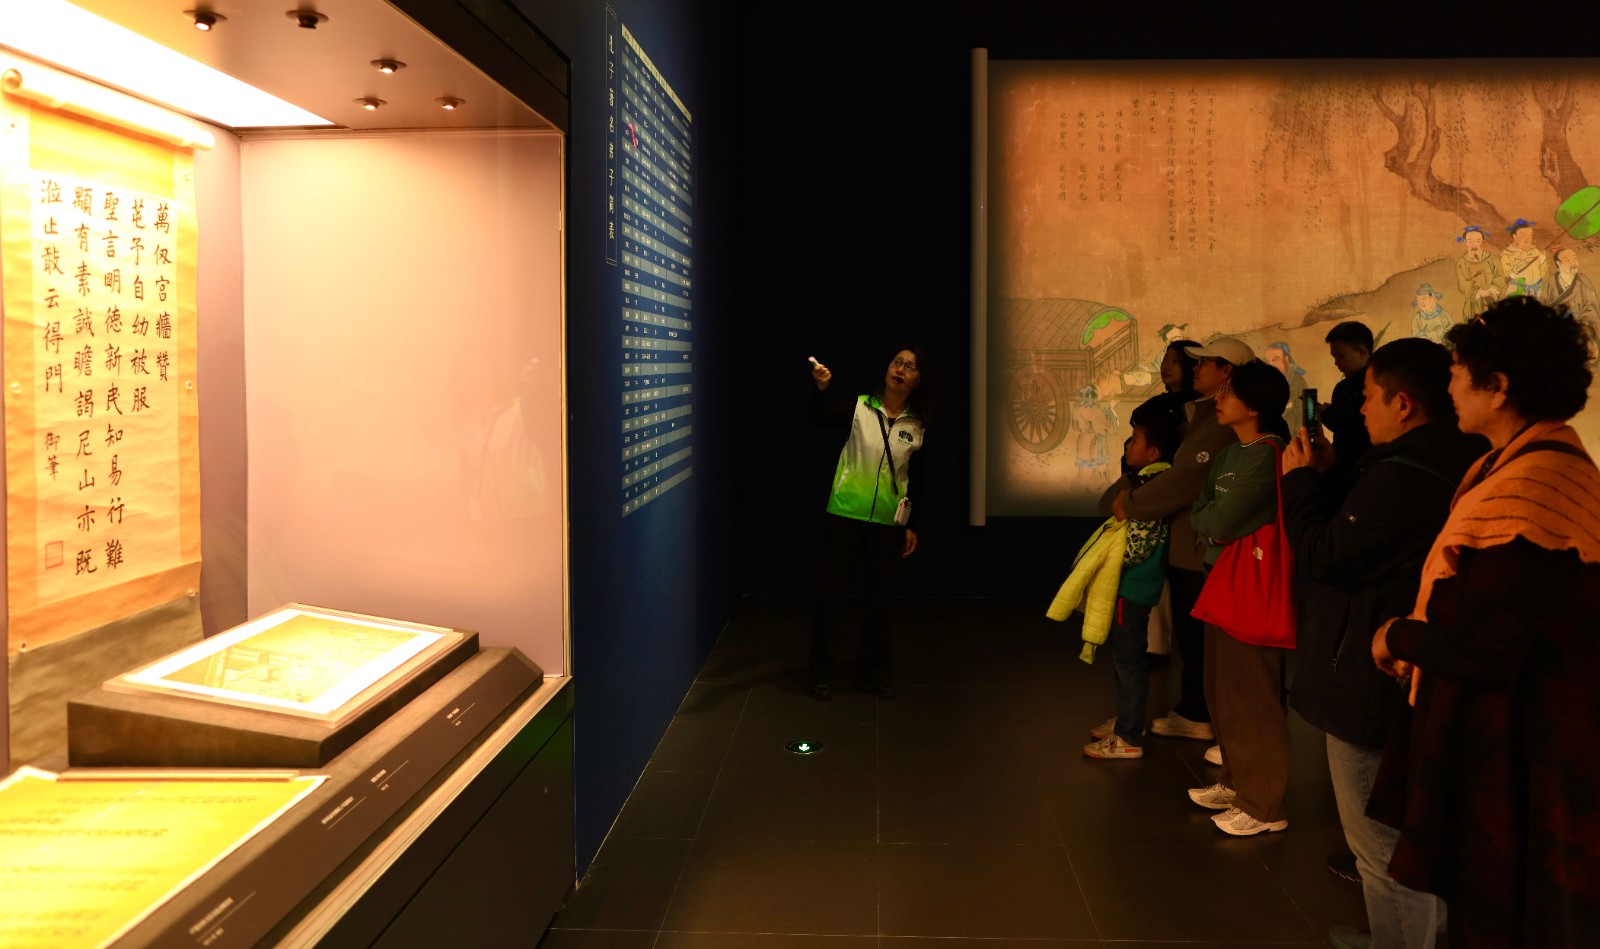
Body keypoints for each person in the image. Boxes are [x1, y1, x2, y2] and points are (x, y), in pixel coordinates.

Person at [1370, 296, 1600, 947]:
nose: (1448, 387)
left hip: (1521, 748)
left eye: (1457, 373)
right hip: (1507, 737)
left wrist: (1395, 635)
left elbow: (1486, 648)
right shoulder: (1517, 464)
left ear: (1497, 386)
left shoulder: (1535, 486)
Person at [1281, 338, 1484, 949]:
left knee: (1380, 844)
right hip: (1418, 669)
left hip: (1371, 676)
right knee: (1419, 833)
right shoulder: (1459, 456)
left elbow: (1328, 554)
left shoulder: (1404, 476)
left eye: (1367, 396)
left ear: (1402, 403)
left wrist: (1299, 482)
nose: (1359, 409)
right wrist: (1332, 472)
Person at [1108, 336, 1257, 743]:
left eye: (1204, 362)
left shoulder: (1221, 425)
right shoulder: (1203, 415)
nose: (1195, 368)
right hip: (1189, 542)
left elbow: (1189, 477)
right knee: (1191, 639)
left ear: (1227, 371)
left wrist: (1132, 502)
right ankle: (1196, 710)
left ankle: (1203, 715)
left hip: (1199, 545)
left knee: (1199, 639)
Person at [1184, 359, 1292, 836]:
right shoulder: (1231, 453)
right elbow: (1202, 509)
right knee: (1223, 691)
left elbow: (1221, 520)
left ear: (1254, 406)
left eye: (1228, 391)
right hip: (1222, 579)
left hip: (1251, 584)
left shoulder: (1269, 455)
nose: (1219, 399)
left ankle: (1264, 805)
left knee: (1252, 696)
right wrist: (1214, 524)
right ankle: (1235, 781)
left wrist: (1214, 524)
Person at [807, 347, 929, 700]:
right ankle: (820, 671)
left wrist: (911, 524)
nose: (900, 370)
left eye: (909, 367)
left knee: (878, 601)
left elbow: (916, 478)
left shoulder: (917, 423)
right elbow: (817, 420)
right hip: (845, 513)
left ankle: (872, 672)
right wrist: (820, 389)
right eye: (896, 363)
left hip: (888, 524)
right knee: (832, 596)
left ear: (918, 380)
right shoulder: (859, 407)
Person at [1078, 414, 1182, 759]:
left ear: (1153, 452)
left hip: (1132, 587)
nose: (1127, 446)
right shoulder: (1147, 481)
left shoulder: (1151, 488)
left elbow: (1137, 545)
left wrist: (1108, 562)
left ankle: (1127, 736)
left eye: (1134, 440)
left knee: (1128, 660)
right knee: (1126, 658)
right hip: (1134, 587)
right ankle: (1128, 722)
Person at [1321, 321, 1374, 495]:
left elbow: (1351, 424)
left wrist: (1326, 413)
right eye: (1334, 357)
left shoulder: (1375, 385)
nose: (1336, 363)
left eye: (1340, 355)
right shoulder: (1342, 387)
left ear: (1362, 352)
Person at [1544, 245, 1600, 365]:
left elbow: (1593, 306)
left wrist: (1579, 318)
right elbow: (1545, 305)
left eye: (1574, 258)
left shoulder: (1583, 281)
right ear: (1558, 264)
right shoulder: (1552, 282)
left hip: (1581, 323)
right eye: (1567, 260)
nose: (1573, 262)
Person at [1454, 225, 1504, 322]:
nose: (1474, 245)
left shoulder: (1493, 259)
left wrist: (1491, 290)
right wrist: (1478, 292)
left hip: (1492, 300)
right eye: (1470, 241)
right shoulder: (1461, 263)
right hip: (1472, 305)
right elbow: (1463, 284)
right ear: (1465, 243)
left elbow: (1500, 277)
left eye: (1478, 241)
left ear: (1483, 242)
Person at [1263, 341, 1309, 436]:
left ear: (1287, 360)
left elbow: (1302, 425)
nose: (1270, 365)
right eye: (1267, 361)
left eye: (1275, 360)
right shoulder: (1265, 384)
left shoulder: (1298, 385)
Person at [1498, 217, 1547, 299]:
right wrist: (1512, 274)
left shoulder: (1535, 251)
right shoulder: (1508, 253)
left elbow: (1543, 272)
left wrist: (1542, 261)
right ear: (1515, 237)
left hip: (1535, 290)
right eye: (1523, 235)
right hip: (1518, 289)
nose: (1527, 238)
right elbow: (1506, 272)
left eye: (1530, 235)